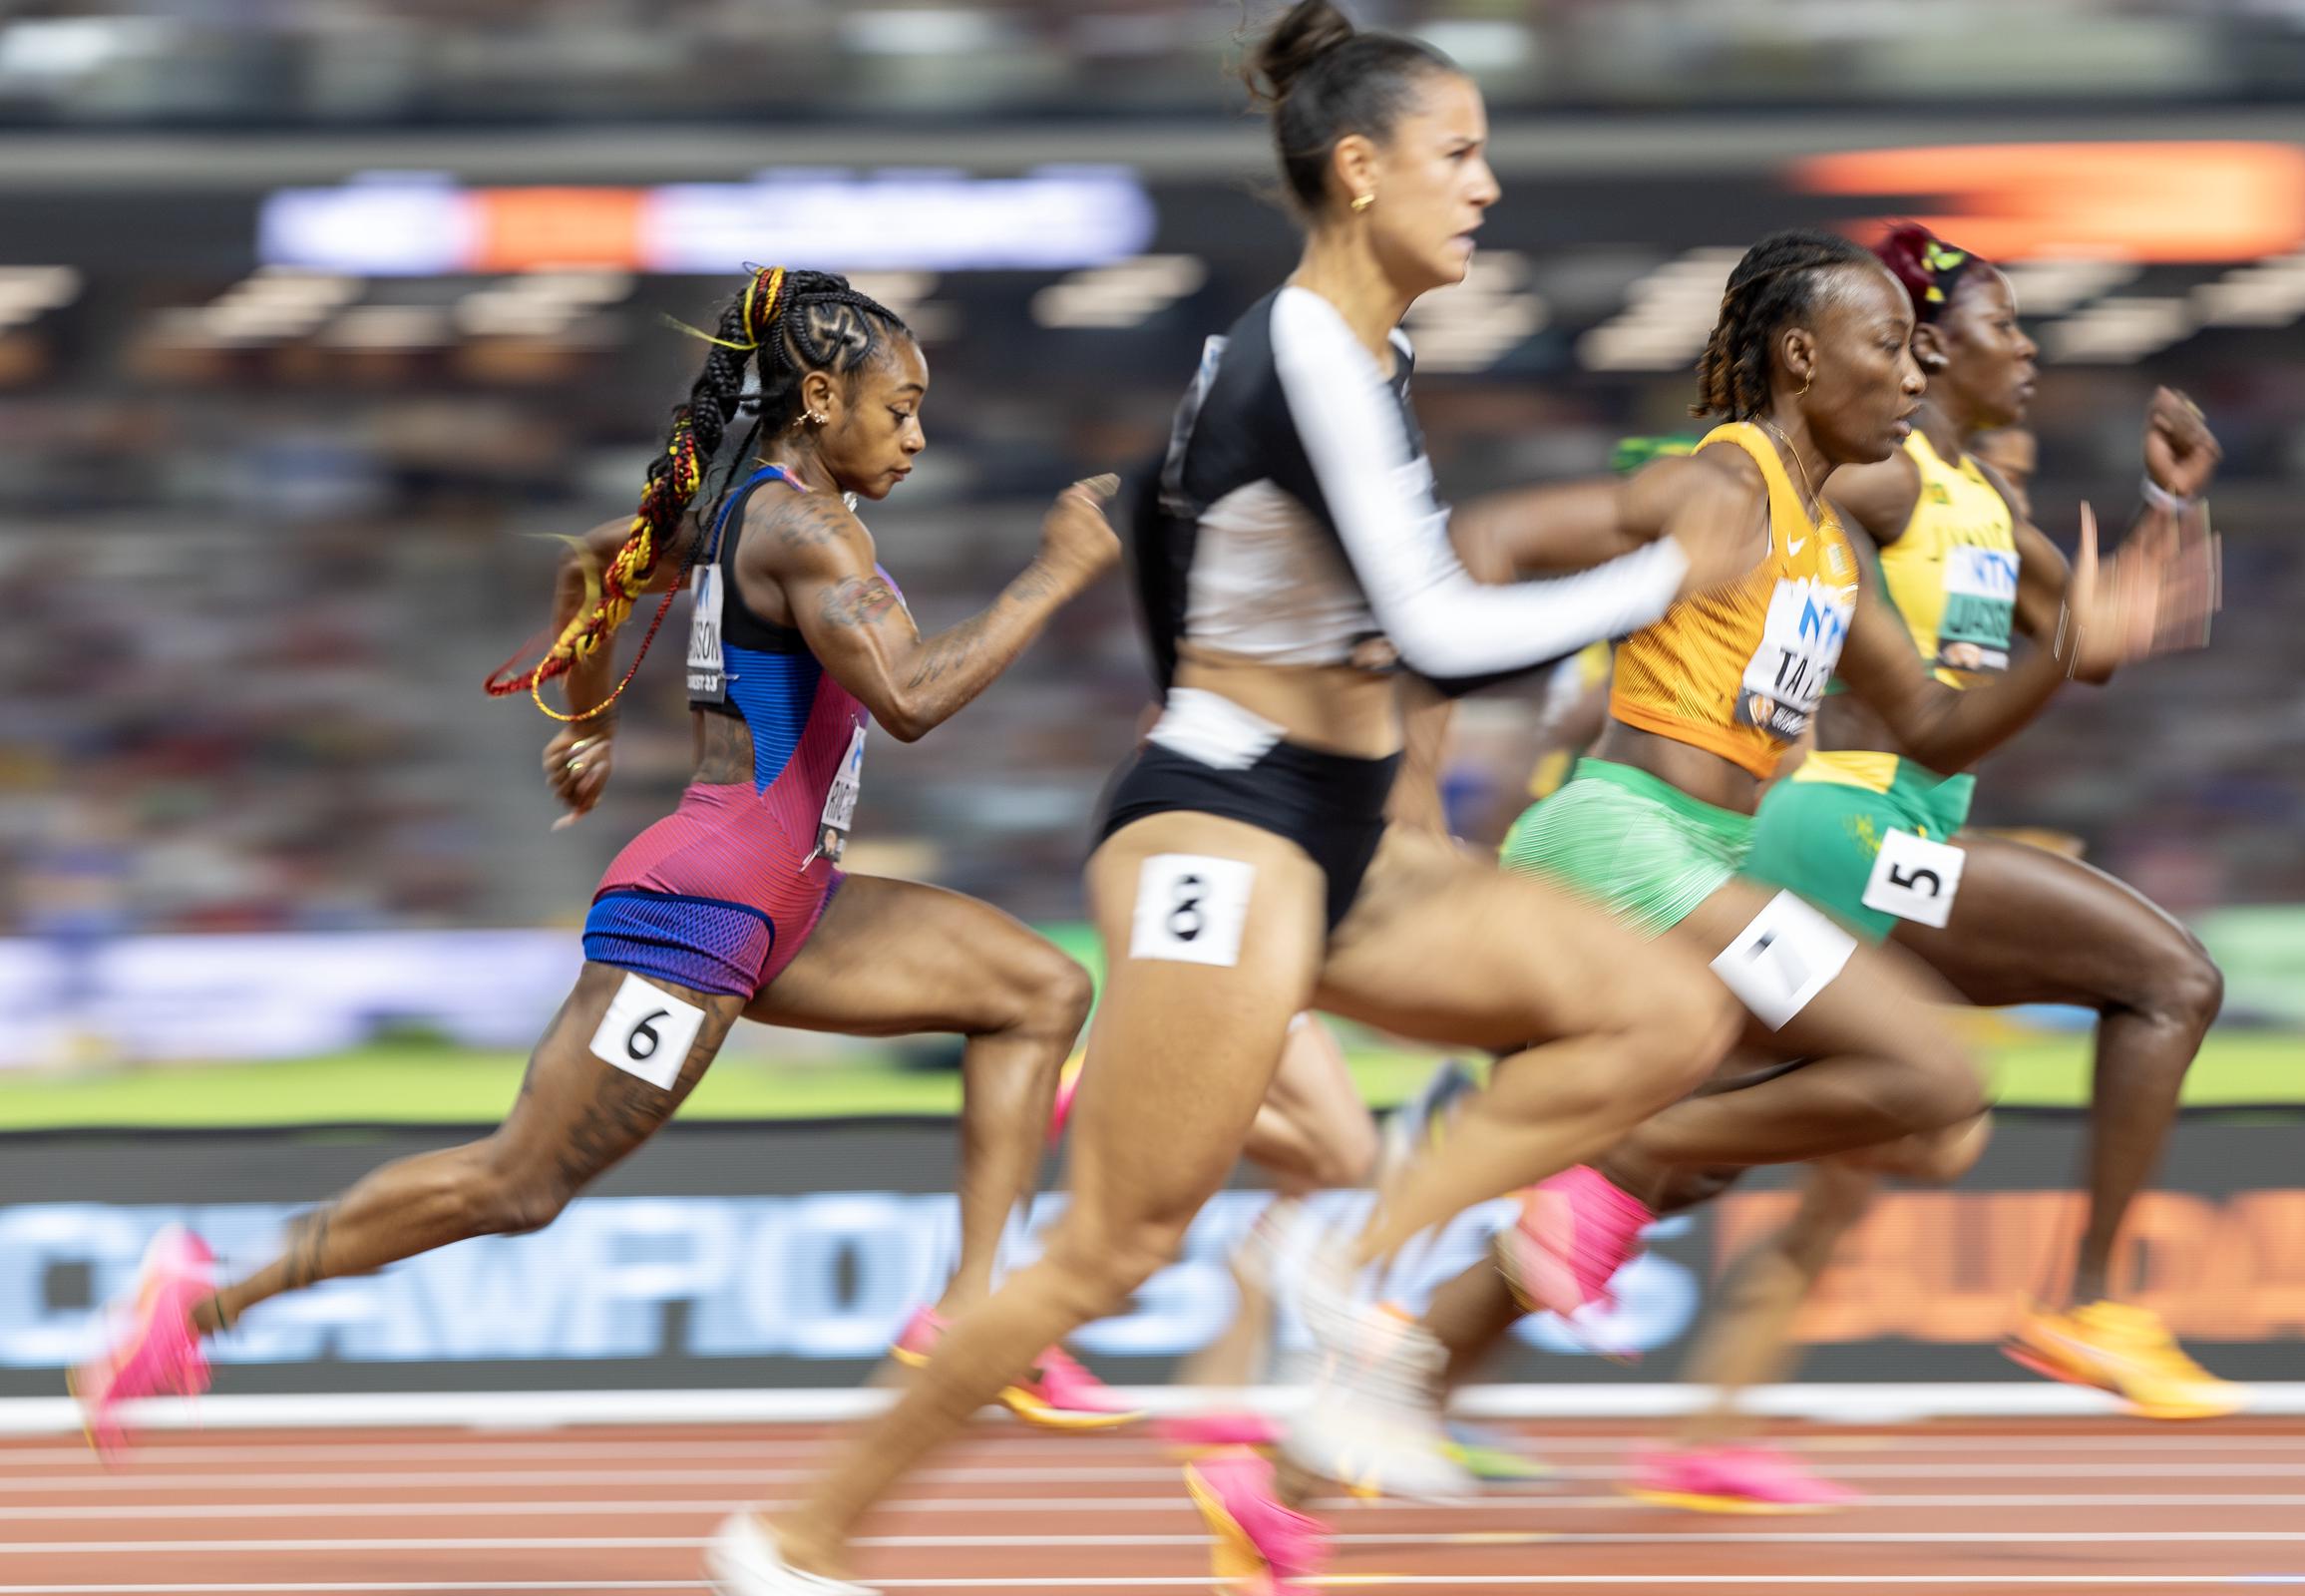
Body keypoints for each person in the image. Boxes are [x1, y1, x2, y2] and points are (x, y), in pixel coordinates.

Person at [707, 6, 1758, 1588]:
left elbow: (1177, 529)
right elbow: (1437, 630)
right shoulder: (1301, 356)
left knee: (1668, 1018)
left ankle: (1353, 1252)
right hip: (1225, 831)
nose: (1485, 187)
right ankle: (791, 1535)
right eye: (1458, 154)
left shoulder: (1337, 359)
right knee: (1114, 1250)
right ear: (1359, 168)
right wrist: (1666, 574)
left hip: (1328, 831)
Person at [1189, 218, 2218, 1587]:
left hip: (1708, 861)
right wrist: (1417, 784)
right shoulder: (1725, 485)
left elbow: (1934, 728)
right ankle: (1588, 1158)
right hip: (1630, 844)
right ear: (1800, 358)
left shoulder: (1825, 547)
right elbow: (1488, 538)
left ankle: (1299, 1469)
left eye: (1920, 359)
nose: (1909, 381)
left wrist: (2072, 647)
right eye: (1884, 353)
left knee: (1912, 1121)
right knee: (1916, 1073)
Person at [74, 266, 1131, 1455]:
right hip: (707, 910)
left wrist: (588, 718)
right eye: (902, 409)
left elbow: (594, 565)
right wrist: (1056, 571)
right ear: (823, 398)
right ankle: (197, 1305)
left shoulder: (747, 507)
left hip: (792, 896)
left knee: (1041, 990)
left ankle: (975, 1312)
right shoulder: (806, 528)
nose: (921, 436)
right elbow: (912, 697)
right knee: (517, 1185)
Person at [1619, 224, 2235, 1509]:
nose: (2030, 352)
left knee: (1892, 1137)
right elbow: (1747, 506)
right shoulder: (1883, 482)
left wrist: (2171, 510)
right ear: (1931, 347)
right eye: (2006, 327)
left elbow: (2094, 639)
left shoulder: (1988, 507)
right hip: (1838, 826)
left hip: (1894, 838)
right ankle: (2095, 1301)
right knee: (2169, 977)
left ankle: (1684, 1384)